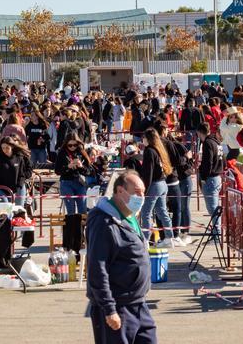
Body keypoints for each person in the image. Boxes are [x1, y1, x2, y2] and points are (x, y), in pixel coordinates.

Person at [86, 171, 157, 344]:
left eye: (143, 192)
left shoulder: (128, 216)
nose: (141, 197)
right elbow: (97, 268)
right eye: (137, 192)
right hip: (118, 307)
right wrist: (109, 309)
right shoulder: (104, 223)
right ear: (119, 191)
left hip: (139, 303)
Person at [139, 128, 175, 247]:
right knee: (162, 211)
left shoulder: (149, 151)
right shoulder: (159, 149)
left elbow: (147, 172)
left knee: (146, 213)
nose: (142, 140)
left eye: (143, 137)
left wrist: (144, 189)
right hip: (162, 183)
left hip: (154, 184)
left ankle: (145, 240)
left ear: (148, 139)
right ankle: (169, 237)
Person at [0, 136, 32, 205]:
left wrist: (19, 186)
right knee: (5, 206)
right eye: (3, 148)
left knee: (18, 209)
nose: (5, 150)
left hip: (17, 187)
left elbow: (22, 174)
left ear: (12, 147)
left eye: (7, 148)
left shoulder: (19, 157)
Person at [197, 122, 224, 237]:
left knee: (212, 207)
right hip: (217, 176)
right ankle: (217, 230)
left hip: (211, 178)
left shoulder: (208, 143)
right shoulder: (216, 142)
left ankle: (217, 232)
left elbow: (208, 162)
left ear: (199, 133)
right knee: (213, 206)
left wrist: (203, 178)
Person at [55, 134, 91, 215]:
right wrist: (68, 166)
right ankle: (72, 227)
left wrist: (81, 166)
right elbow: (57, 171)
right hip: (66, 182)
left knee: (82, 209)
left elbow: (88, 171)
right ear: (66, 144)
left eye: (75, 145)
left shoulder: (81, 152)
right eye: (70, 145)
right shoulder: (62, 153)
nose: (72, 147)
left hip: (80, 182)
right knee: (71, 210)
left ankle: (81, 227)